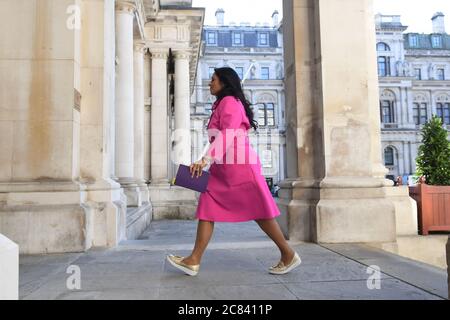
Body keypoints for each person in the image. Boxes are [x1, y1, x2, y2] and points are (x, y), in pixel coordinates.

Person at [166, 67, 301, 276]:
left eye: (213, 79)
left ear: (224, 83)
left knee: (261, 212)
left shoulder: (229, 102)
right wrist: (209, 160)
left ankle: (288, 253)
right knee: (208, 206)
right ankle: (193, 260)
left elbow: (227, 134)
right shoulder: (223, 103)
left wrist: (205, 159)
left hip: (239, 166)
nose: (209, 83)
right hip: (225, 167)